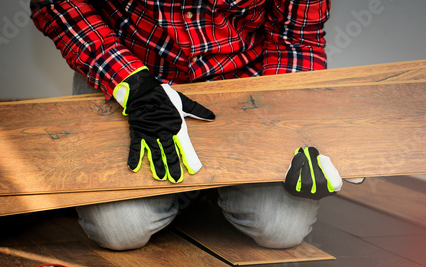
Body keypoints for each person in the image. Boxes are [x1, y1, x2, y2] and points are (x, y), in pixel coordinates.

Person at [30, 0, 343, 251]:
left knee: (279, 231)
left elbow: (297, 39)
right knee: (120, 232)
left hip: (241, 78)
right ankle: (190, 186)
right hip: (129, 71)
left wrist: (295, 128)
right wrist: (133, 85)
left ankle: (201, 184)